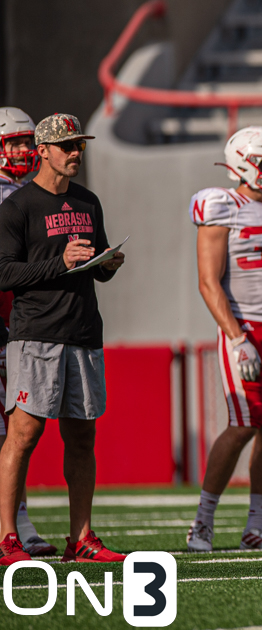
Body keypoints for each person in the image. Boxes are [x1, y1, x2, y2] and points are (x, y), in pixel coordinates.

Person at [0, 113, 127, 565]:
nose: (76, 153)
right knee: (24, 432)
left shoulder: (88, 201)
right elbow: (4, 273)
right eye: (68, 146)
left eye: (80, 146)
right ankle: (7, 539)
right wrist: (61, 262)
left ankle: (82, 538)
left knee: (82, 437)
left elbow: (91, 263)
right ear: (44, 151)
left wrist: (107, 264)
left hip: (83, 331)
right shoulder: (17, 207)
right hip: (36, 334)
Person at [185, 126, 262, 552]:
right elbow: (208, 282)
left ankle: (256, 526)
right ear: (242, 164)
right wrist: (237, 338)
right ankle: (202, 523)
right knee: (242, 425)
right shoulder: (221, 205)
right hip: (246, 328)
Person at [0, 106, 54, 557]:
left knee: (13, 430)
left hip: (12, 323)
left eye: (25, 142)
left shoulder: (27, 195)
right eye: (11, 143)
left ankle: (17, 520)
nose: (21, 151)